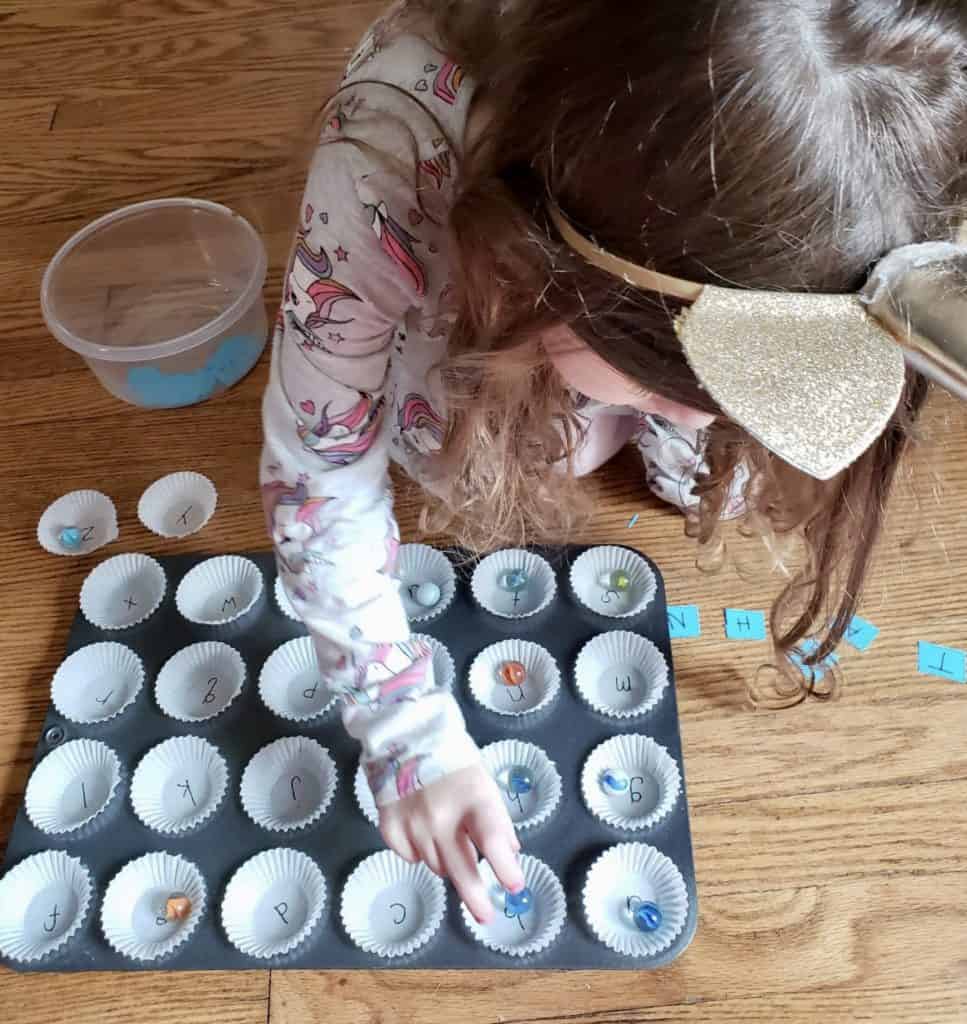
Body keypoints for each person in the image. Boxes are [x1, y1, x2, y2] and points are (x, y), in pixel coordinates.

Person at [260, 0, 967, 922]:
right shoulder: (385, 163)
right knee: (446, 439)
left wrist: (719, 410)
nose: (696, 413)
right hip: (470, 290)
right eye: (666, 379)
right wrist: (405, 730)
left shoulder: (914, 151)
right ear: (545, 266)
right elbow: (318, 464)